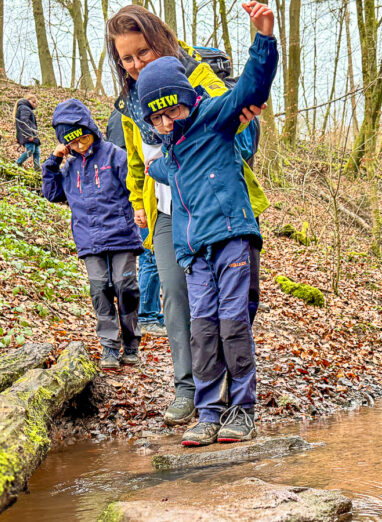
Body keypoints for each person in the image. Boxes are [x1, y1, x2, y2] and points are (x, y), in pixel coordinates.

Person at [105, 4, 269, 426]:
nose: (137, 63)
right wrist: (138, 202)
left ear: (160, 41)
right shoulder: (128, 103)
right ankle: (189, 389)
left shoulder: (197, 73)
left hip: (217, 207)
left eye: (143, 51)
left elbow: (240, 133)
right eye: (127, 58)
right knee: (178, 300)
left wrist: (245, 121)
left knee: (231, 309)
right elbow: (137, 159)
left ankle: (237, 394)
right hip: (166, 210)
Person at [42, 99, 144, 369]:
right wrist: (54, 161)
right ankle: (109, 346)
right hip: (90, 239)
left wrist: (139, 210)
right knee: (100, 290)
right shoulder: (70, 167)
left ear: (91, 130)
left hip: (122, 234)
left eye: (83, 138)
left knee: (126, 288)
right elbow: (52, 193)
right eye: (72, 143)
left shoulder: (114, 155)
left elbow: (135, 186)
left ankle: (131, 344)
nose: (80, 146)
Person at [107, 109, 167, 338]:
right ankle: (147, 315)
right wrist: (137, 201)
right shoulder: (128, 114)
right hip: (139, 194)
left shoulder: (122, 113)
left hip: (137, 194)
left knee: (150, 256)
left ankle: (151, 313)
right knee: (150, 255)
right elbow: (132, 160)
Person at [14, 94, 41, 171]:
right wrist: (29, 135)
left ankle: (37, 168)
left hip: (31, 133)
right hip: (28, 134)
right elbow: (23, 122)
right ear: (28, 100)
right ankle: (17, 163)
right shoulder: (24, 108)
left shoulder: (25, 108)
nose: (34, 104)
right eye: (33, 102)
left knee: (37, 152)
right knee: (30, 150)